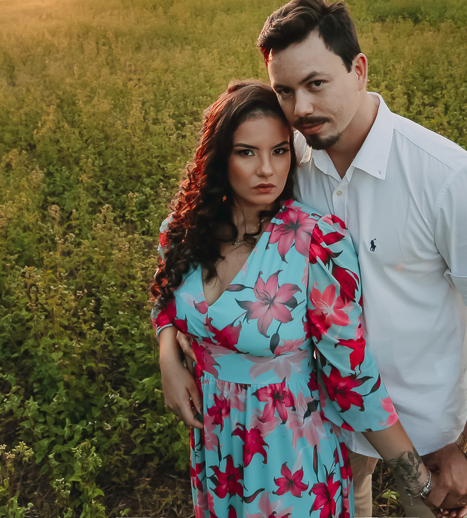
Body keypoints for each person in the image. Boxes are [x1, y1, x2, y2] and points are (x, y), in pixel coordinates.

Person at [255, 0, 467, 517]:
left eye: (317, 84)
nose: (301, 110)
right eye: (285, 92)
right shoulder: (285, 166)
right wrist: (169, 339)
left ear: (358, 70)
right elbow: (204, 229)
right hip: (332, 414)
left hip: (430, 427)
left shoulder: (444, 176)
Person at [150, 80, 436, 518]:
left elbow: (351, 375)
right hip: (217, 449)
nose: (267, 169)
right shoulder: (182, 231)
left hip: (291, 458)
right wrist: (168, 355)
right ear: (218, 157)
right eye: (247, 152)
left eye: (279, 151)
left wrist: (417, 478)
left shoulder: (313, 241)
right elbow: (165, 298)